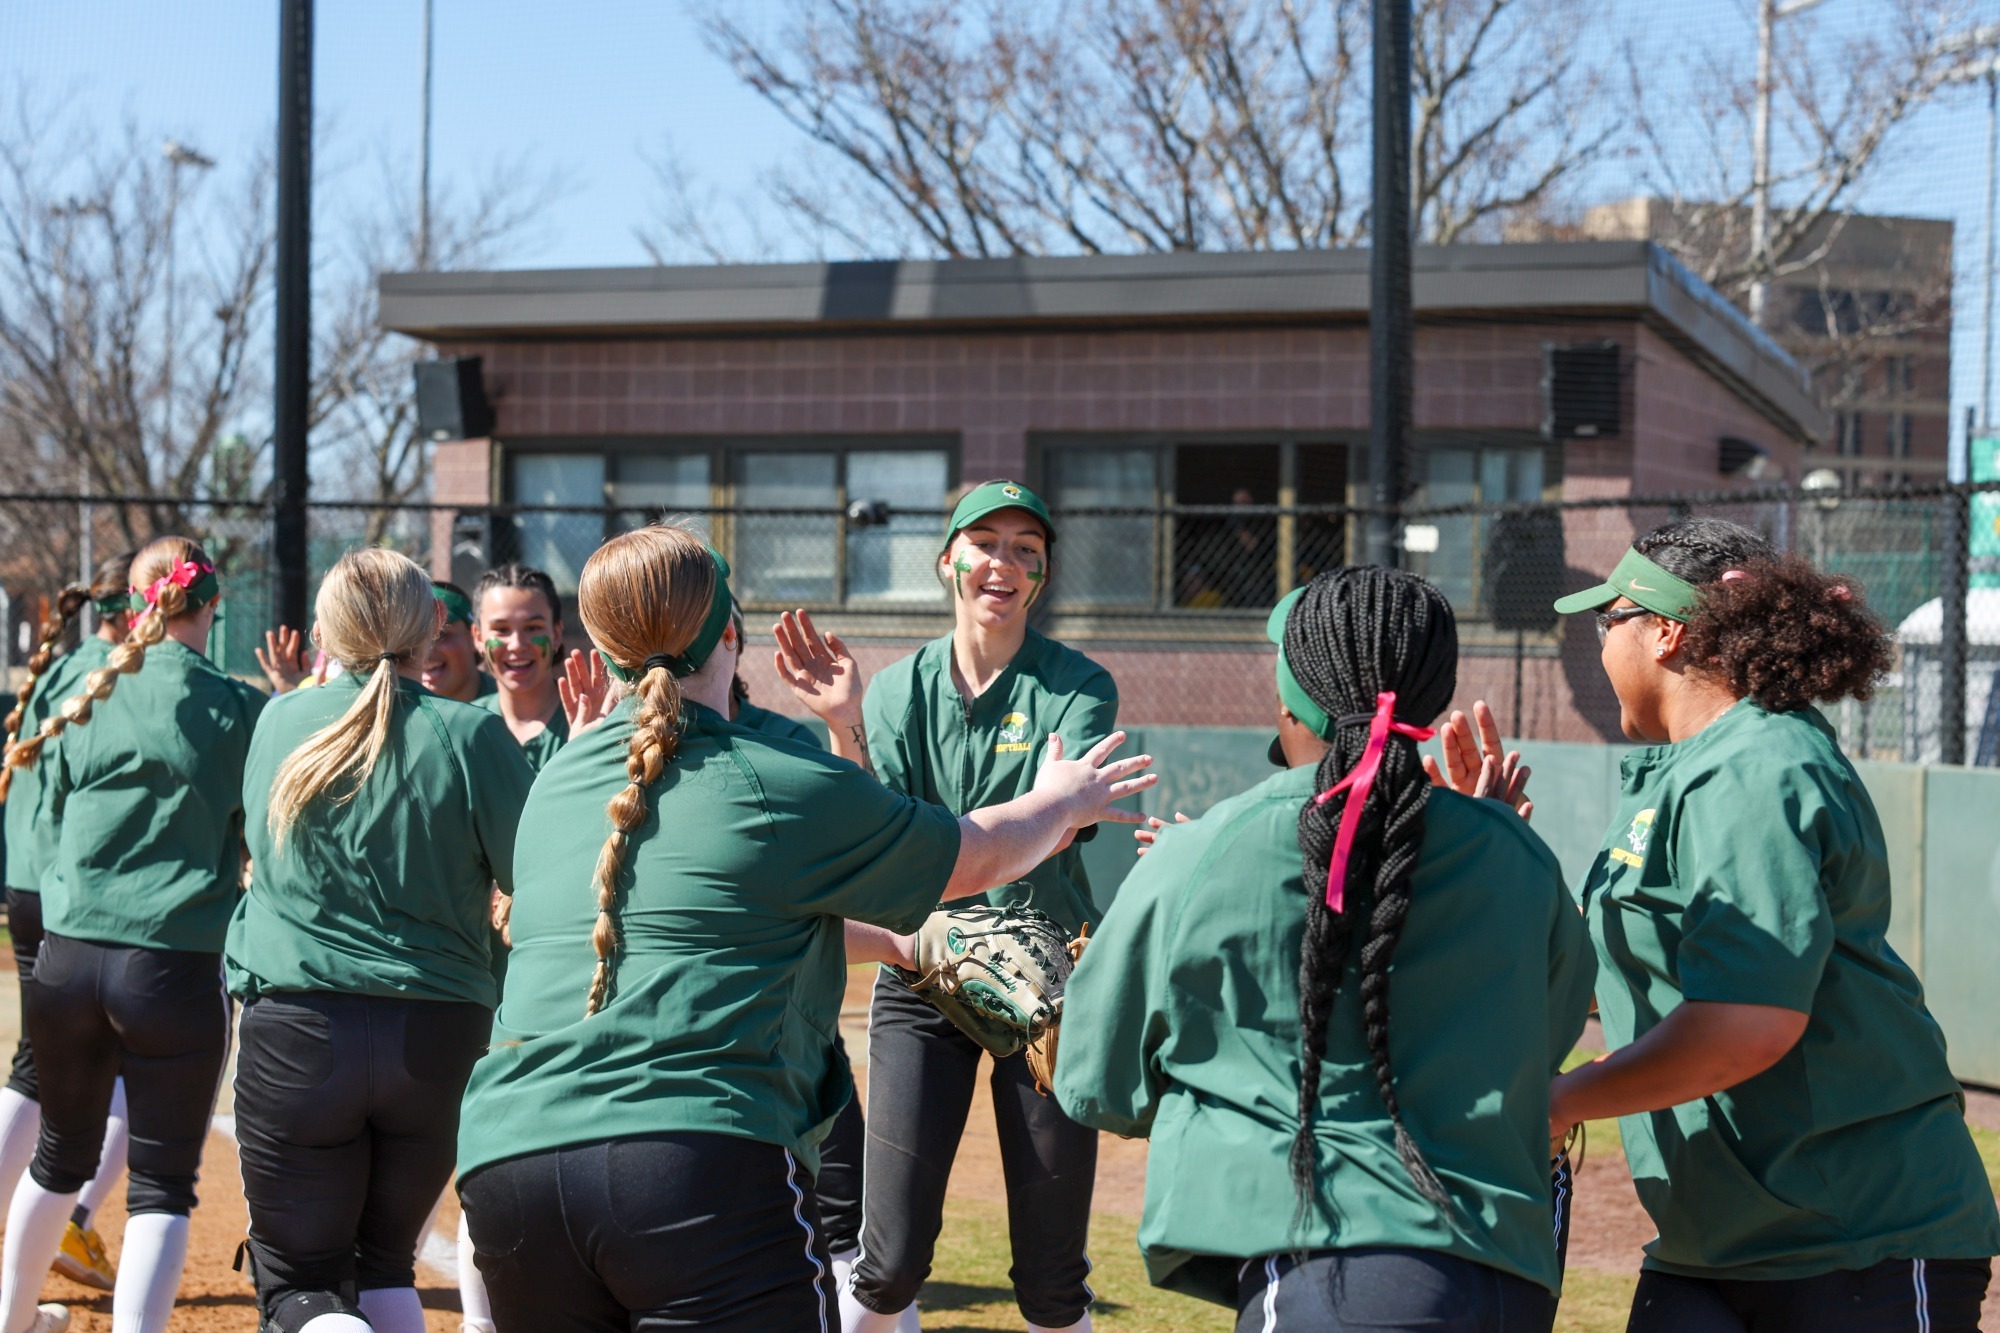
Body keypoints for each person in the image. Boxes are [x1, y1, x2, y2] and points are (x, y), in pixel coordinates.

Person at [454, 523, 1154, 1331]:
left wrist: (898, 942)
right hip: (694, 1160)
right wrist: (1062, 798)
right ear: (729, 634)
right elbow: (977, 855)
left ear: (600, 647)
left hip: (508, 1173)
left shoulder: (554, 784)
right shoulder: (772, 777)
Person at [1054, 567, 1593, 1330]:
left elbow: (1094, 1078)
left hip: (1329, 1273)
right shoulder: (1518, 855)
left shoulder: (1204, 851)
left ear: (1285, 693)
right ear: (1435, 697)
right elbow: (1554, 1027)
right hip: (1509, 1279)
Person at [1546, 517, 2000, 1331]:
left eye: (1607, 619)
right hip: (1716, 1242)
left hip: (1858, 1240)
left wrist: (1565, 1099)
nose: (1600, 642)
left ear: (1666, 632)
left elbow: (1747, 1021)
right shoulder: (1693, 767)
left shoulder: (1755, 765)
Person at [774, 479, 1116, 1333]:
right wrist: (845, 722)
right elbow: (868, 837)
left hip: (1042, 987)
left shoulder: (1080, 688)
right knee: (885, 1265)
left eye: (1024, 550)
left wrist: (931, 842)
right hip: (923, 982)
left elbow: (1049, 827)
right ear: (949, 561)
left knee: (1050, 1276)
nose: (1003, 562)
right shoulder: (893, 693)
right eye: (986, 542)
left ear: (1040, 576)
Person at [226, 548, 532, 1333]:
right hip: (437, 1035)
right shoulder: (472, 734)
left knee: (299, 1287)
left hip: (299, 1030)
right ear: (433, 625)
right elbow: (529, 873)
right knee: (385, 1259)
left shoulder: (281, 717)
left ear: (326, 629)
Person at [0, 537, 264, 1333]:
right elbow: (259, 834)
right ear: (210, 604)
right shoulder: (235, 703)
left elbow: (46, 826)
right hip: (172, 965)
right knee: (161, 1183)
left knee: (56, 1158)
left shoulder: (83, 682)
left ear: (137, 602)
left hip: (66, 957)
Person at [0, 560, 136, 1294]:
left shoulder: (64, 662)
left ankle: (69, 1217)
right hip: (65, 889)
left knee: (41, 1061)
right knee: (81, 1064)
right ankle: (74, 1215)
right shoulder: (114, 670)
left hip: (28, 879)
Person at [470, 564, 568, 770]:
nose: (517, 645)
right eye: (502, 630)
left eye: (533, 628)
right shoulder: (465, 728)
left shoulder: (590, 720)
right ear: (478, 638)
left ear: (556, 634)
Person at [421, 580, 497, 704]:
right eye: (414, 637)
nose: (425, 650)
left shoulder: (508, 708)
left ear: (475, 638)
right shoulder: (393, 711)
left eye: (441, 635)